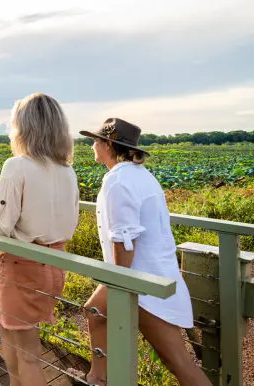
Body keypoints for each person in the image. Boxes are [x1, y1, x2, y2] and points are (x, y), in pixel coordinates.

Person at [77, 118, 210, 386]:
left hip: (141, 281)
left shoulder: (118, 181)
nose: (92, 145)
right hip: (144, 272)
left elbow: (125, 240)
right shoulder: (138, 175)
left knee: (176, 360)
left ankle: (98, 378)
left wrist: (120, 284)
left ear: (107, 144)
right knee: (94, 310)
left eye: (95, 141)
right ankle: (97, 377)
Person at [0, 93, 79, 386]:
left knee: (28, 355)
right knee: (10, 336)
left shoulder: (17, 166)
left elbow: (2, 225)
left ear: (23, 127)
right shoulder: (67, 170)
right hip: (54, 263)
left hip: (22, 266)